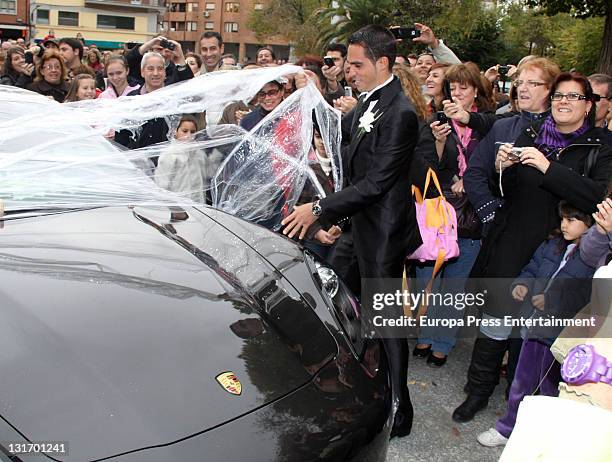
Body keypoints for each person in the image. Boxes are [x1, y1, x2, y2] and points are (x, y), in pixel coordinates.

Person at [282, 25, 421, 439]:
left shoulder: (402, 114)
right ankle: (352, 380)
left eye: (357, 65)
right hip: (356, 226)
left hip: (382, 234)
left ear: (383, 63)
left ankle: (400, 407)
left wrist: (319, 209)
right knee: (338, 301)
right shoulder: (365, 106)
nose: (349, 72)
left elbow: (377, 183)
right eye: (349, 64)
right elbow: (351, 171)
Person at [454, 72, 612, 423]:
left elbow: (596, 197)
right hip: (514, 239)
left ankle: (519, 402)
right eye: (558, 96)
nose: (564, 102)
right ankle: (477, 391)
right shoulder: (531, 134)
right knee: (496, 319)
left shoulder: (601, 145)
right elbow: (506, 190)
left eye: (573, 96)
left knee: (535, 330)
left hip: (561, 251)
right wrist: (503, 169)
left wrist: (547, 166)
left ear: (589, 106)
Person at [477, 201, 596, 448]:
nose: (563, 224)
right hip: (530, 328)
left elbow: (585, 296)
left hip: (559, 337)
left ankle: (546, 441)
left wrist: (552, 301)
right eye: (562, 218)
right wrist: (522, 284)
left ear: (590, 225)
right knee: (521, 383)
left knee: (553, 390)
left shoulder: (593, 260)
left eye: (571, 220)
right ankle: (508, 428)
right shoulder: (552, 244)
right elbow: (531, 270)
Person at [412, 63, 496, 367]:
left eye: (464, 87)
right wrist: (437, 141)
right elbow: (425, 169)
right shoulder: (434, 120)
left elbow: (497, 171)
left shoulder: (490, 124)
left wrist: (471, 181)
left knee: (454, 287)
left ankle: (443, 342)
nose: (457, 92)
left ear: (476, 90)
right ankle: (424, 333)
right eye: (453, 87)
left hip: (469, 218)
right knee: (427, 279)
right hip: (436, 214)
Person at [154, 115, 223, 204]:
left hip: (198, 205)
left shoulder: (198, 153)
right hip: (178, 206)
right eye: (184, 131)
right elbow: (162, 184)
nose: (189, 135)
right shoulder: (170, 154)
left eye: (193, 132)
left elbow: (208, 174)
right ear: (176, 131)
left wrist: (217, 155)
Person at [126, 36, 193, 87]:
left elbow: (188, 85)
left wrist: (181, 58)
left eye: (167, 51)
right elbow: (124, 64)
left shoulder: (175, 70)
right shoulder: (138, 66)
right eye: (159, 49)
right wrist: (146, 46)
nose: (163, 54)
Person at [588, 73, 612, 143]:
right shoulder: (557, 134)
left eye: (593, 97)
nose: (586, 101)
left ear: (610, 105)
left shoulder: (608, 145)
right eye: (583, 96)